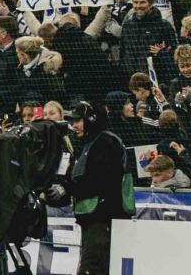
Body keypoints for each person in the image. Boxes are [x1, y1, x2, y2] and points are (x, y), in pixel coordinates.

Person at [55, 100, 131, 275]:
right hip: (93, 219)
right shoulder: (91, 144)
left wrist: (67, 188)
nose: (74, 126)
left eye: (78, 120)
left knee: (90, 268)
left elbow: (99, 182)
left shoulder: (105, 143)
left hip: (103, 218)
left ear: (91, 119)